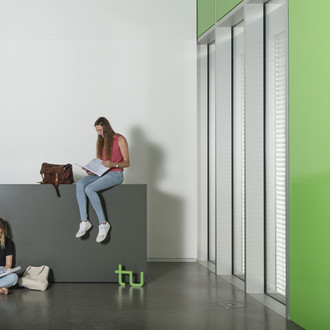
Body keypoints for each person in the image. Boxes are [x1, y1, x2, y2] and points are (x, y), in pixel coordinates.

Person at [76, 117, 130, 242]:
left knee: (89, 189)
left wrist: (113, 164)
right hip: (101, 173)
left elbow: (127, 163)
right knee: (80, 184)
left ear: (106, 127)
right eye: (97, 131)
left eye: (100, 130)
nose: (99, 134)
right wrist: (92, 170)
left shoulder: (120, 139)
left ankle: (103, 223)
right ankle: (84, 222)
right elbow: (100, 162)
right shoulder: (101, 141)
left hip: (115, 174)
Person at [0, 218, 18, 295]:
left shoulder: (8, 243)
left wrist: (1, 273)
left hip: (2, 269)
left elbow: (8, 264)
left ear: (3, 229)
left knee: (14, 277)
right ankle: (1, 290)